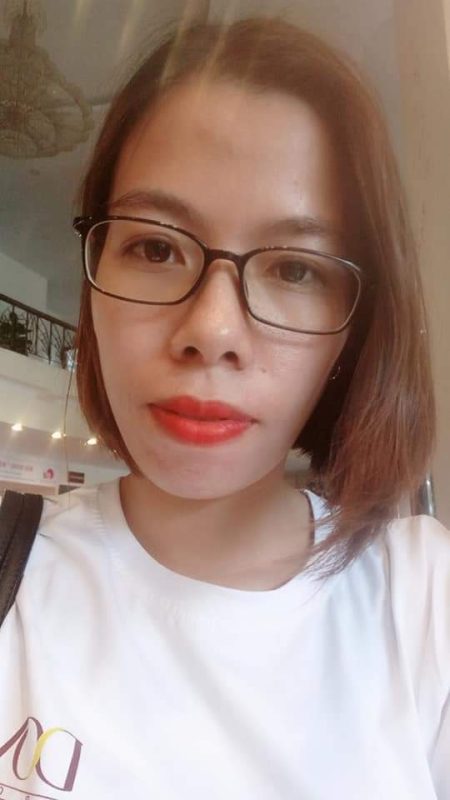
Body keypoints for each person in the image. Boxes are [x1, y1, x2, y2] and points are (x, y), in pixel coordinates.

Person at [0, 16, 448, 800]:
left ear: (357, 325)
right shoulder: (16, 575)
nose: (211, 331)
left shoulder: (423, 601)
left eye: (295, 269)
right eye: (155, 247)